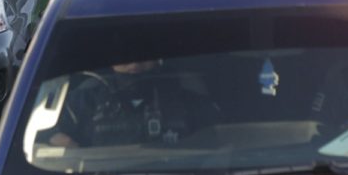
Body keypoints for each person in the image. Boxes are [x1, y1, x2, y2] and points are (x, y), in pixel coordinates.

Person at [43, 59, 220, 148]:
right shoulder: (85, 97)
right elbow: (49, 138)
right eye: (125, 55)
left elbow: (220, 139)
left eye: (143, 55)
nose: (135, 64)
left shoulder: (181, 93)